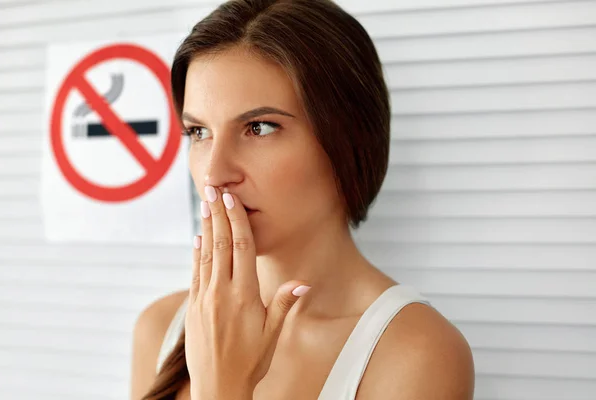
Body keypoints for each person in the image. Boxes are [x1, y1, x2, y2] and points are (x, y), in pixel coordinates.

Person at [130, 0, 475, 399]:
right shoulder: (159, 328)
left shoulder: (416, 353)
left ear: (347, 140)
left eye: (258, 128)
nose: (214, 174)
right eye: (199, 132)